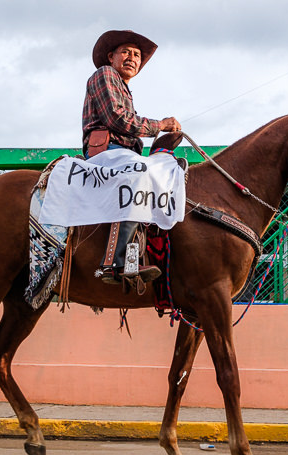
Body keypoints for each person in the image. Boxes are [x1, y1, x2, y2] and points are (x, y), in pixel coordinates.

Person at [82, 30, 182, 284]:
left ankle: (137, 258)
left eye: (137, 55)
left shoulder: (124, 89)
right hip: (106, 151)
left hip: (123, 152)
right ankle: (114, 263)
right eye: (125, 52)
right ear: (111, 56)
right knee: (140, 175)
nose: (132, 58)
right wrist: (159, 125)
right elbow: (117, 119)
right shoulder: (104, 75)